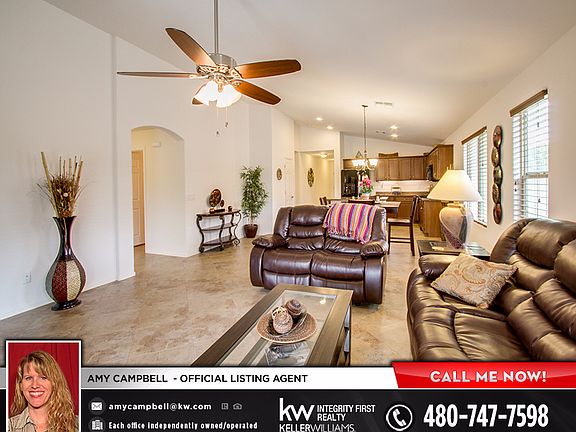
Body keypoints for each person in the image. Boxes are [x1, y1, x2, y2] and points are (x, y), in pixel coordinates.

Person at [8, 351, 77, 432]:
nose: (35, 385)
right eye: (28, 378)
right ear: (21, 385)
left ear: (54, 383)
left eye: (43, 378)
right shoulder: (9, 426)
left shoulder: (77, 425)